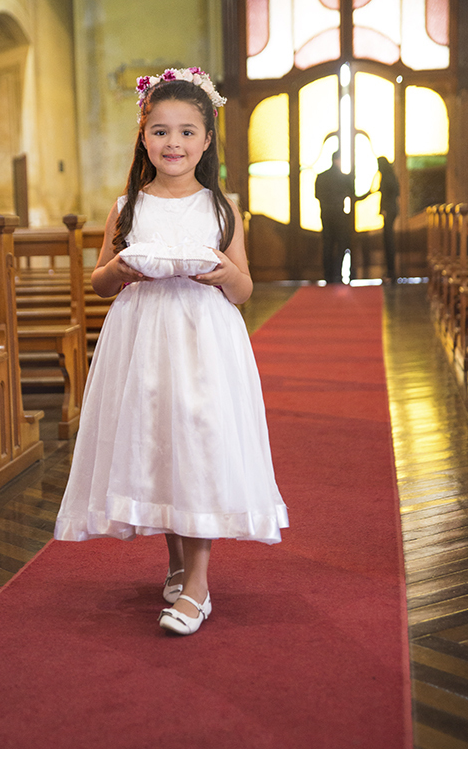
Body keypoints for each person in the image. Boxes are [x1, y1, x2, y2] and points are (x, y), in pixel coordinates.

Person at [53, 67, 290, 636]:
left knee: (198, 443)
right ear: (143, 136)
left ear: (207, 140)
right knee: (159, 444)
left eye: (187, 132)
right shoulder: (127, 206)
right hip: (142, 337)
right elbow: (100, 284)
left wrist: (221, 271)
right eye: (160, 131)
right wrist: (122, 266)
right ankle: (178, 564)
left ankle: (199, 587)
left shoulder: (221, 206)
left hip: (204, 336)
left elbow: (244, 289)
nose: (173, 143)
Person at [315, 150, 369, 284]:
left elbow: (317, 195)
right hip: (339, 214)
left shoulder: (321, 177)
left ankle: (328, 275)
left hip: (325, 214)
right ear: (339, 160)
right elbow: (353, 194)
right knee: (341, 244)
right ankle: (338, 274)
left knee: (327, 244)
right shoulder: (343, 177)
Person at [375, 156, 401, 280]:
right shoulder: (389, 175)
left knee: (389, 240)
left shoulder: (387, 177)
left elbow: (390, 194)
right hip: (390, 209)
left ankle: (391, 271)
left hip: (389, 210)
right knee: (387, 240)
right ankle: (390, 270)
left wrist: (384, 209)